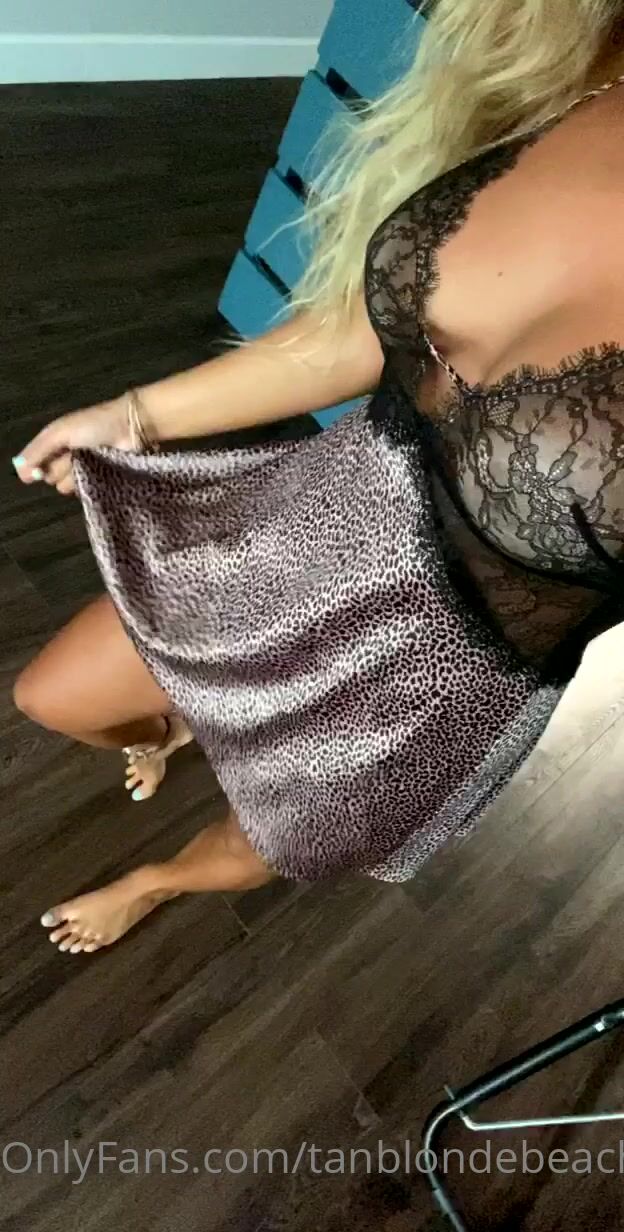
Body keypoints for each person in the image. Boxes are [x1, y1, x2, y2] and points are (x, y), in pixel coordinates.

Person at [12, 0, 624, 954]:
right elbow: (370, 332)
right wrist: (133, 417)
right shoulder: (588, 57)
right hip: (309, 523)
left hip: (431, 688)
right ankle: (177, 731)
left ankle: (153, 883)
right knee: (52, 695)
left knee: (266, 841)